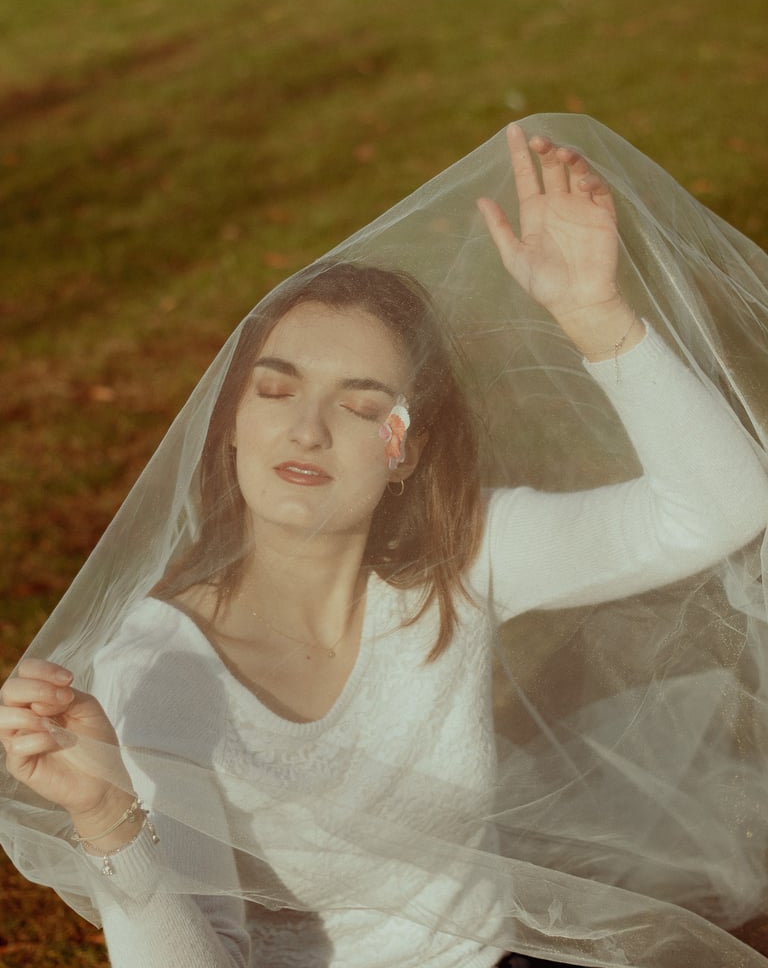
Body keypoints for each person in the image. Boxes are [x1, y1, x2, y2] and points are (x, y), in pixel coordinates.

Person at [2, 120, 768, 968]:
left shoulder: (460, 562)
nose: (308, 428)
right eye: (275, 389)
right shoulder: (159, 670)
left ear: (409, 453)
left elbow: (721, 508)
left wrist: (595, 313)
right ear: (228, 429)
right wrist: (109, 819)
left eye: (364, 406)